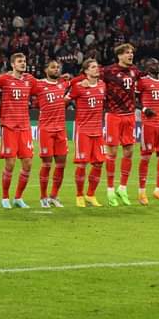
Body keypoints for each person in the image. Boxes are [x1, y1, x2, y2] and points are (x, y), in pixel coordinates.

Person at [0, 53, 37, 208]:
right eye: (20, 61)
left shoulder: (30, 80)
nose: (23, 63)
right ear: (13, 64)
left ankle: (18, 198)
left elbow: (43, 86)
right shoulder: (5, 79)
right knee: (11, 163)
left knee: (27, 163)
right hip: (9, 126)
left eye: (24, 61)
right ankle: (5, 197)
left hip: (25, 126)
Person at [102, 43, 141, 207]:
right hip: (113, 116)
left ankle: (122, 188)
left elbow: (147, 78)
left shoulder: (135, 71)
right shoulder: (108, 71)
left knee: (129, 151)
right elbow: (89, 75)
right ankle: (110, 189)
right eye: (127, 53)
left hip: (130, 116)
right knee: (111, 152)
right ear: (119, 55)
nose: (130, 55)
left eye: (131, 52)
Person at [66, 59, 107, 208]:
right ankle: (79, 195)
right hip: (83, 131)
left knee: (99, 163)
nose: (97, 69)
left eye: (97, 66)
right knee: (82, 164)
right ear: (86, 71)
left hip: (97, 131)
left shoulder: (103, 85)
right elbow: (64, 100)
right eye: (93, 67)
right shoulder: (78, 87)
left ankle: (90, 195)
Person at [31, 60, 69, 208]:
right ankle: (43, 196)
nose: (56, 69)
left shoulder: (63, 84)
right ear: (46, 69)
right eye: (53, 67)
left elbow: (76, 81)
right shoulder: (39, 84)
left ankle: (54, 195)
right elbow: (25, 85)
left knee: (61, 164)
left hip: (61, 130)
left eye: (58, 67)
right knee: (46, 164)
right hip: (46, 129)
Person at [136, 58, 159, 205]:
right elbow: (133, 99)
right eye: (152, 64)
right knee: (146, 157)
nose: (155, 66)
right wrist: (144, 109)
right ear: (146, 67)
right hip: (149, 124)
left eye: (157, 63)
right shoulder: (142, 81)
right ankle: (141, 192)